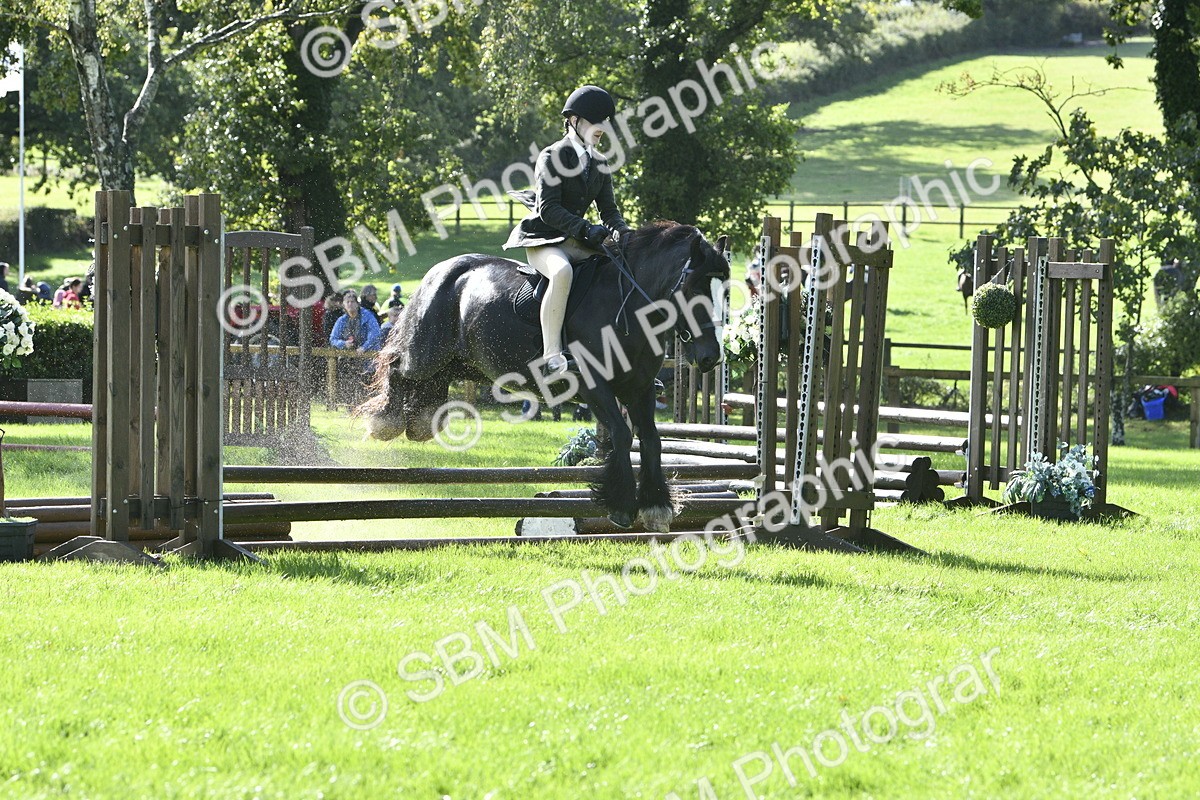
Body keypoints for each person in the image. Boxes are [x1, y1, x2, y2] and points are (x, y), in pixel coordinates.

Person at [503, 84, 629, 377]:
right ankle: (551, 356)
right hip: (543, 239)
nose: (602, 128)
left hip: (575, 241)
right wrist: (585, 228)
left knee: (618, 270)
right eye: (596, 121)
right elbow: (548, 209)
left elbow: (609, 212)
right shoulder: (552, 156)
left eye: (605, 122)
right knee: (562, 272)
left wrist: (624, 234)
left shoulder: (600, 163)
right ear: (574, 120)